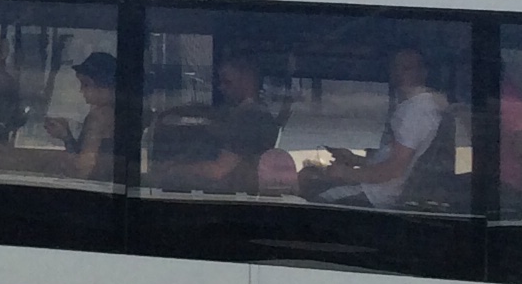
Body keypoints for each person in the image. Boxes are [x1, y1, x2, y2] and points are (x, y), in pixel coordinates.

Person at [303, 48, 448, 206]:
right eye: (395, 67)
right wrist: (354, 159)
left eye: (407, 68)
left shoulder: (417, 110)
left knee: (312, 198)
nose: (398, 73)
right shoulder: (414, 105)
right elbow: (392, 159)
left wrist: (345, 172)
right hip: (372, 187)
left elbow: (394, 169)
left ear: (424, 72)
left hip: (374, 195)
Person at [154, 57, 279, 194]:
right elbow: (211, 116)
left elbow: (218, 170)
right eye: (221, 82)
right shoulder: (240, 113)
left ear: (247, 81)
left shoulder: (251, 117)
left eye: (228, 82)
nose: (221, 88)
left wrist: (173, 170)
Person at [44, 51, 120, 180]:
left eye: (86, 84)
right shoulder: (117, 113)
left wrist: (66, 139)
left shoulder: (99, 117)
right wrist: (66, 135)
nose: (81, 90)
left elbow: (83, 171)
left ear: (104, 85)